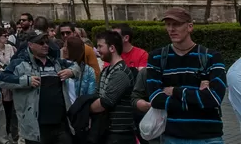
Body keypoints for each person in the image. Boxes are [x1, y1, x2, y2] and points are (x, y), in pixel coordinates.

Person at [146, 7, 227, 144]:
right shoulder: (156, 57)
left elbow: (214, 98)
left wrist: (175, 91)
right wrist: (198, 97)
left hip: (208, 138)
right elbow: (155, 99)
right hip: (172, 137)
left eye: (177, 24)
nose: (171, 29)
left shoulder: (211, 56)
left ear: (190, 27)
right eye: (168, 24)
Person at [0, 30, 78, 144]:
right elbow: (2, 79)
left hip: (61, 123)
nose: (45, 45)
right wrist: (26, 81)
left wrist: (71, 72)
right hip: (35, 127)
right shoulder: (20, 63)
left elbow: (76, 66)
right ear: (30, 45)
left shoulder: (56, 62)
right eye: (41, 43)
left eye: (47, 42)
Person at [90, 30, 135, 144]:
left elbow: (106, 102)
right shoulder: (106, 70)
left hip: (120, 134)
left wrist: (85, 109)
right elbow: (97, 94)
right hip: (107, 131)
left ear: (112, 48)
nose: (97, 50)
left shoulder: (120, 73)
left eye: (100, 46)